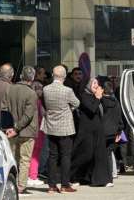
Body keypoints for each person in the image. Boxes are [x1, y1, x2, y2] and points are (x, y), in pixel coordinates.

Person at [41, 65, 80, 193]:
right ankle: (64, 184)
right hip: (65, 127)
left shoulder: (45, 89)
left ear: (53, 75)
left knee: (52, 156)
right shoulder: (67, 90)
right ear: (64, 76)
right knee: (65, 156)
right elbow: (76, 103)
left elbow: (45, 104)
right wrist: (70, 109)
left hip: (51, 125)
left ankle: (51, 186)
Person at [2, 66, 39, 194]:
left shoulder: (9, 89)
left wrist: (8, 128)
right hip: (26, 131)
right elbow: (28, 115)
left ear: (21, 76)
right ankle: (21, 186)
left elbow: (4, 109)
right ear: (32, 78)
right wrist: (16, 128)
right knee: (25, 159)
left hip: (11, 130)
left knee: (12, 158)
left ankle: (12, 183)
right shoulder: (31, 93)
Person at [70, 77, 109, 187]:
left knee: (98, 155)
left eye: (97, 83)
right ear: (88, 85)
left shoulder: (96, 97)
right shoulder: (84, 96)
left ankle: (99, 179)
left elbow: (104, 109)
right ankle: (73, 176)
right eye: (93, 83)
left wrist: (101, 97)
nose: (96, 85)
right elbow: (92, 109)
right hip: (86, 131)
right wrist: (97, 98)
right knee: (85, 155)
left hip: (97, 130)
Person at [99, 80, 124, 186]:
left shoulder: (101, 101)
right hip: (114, 132)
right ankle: (110, 179)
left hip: (103, 132)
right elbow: (119, 117)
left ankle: (105, 178)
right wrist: (119, 131)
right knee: (109, 154)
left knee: (103, 155)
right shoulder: (116, 102)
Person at [27, 66, 47, 187]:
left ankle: (31, 174)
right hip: (37, 128)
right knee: (36, 152)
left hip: (30, 128)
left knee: (30, 152)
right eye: (39, 89)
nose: (41, 91)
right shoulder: (37, 100)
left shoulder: (29, 97)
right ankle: (33, 175)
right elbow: (43, 113)